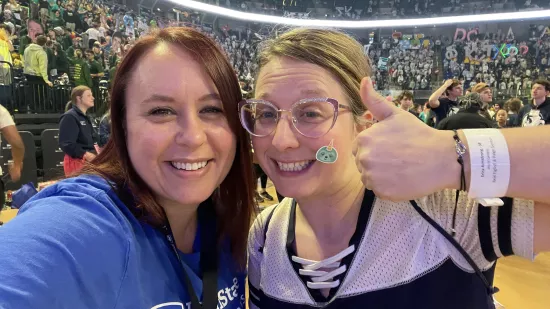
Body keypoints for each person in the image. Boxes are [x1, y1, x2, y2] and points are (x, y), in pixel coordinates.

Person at [244, 28, 549, 309]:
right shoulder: (265, 236)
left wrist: (451, 155)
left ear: (363, 124)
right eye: (266, 113)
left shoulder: (450, 213)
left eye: (310, 112)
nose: (281, 140)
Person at [0, 27, 255, 308]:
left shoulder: (227, 219)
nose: (193, 137)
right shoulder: (91, 221)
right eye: (161, 111)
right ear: (123, 126)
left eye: (212, 110)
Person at [58, 85, 97, 176]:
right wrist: (86, 154)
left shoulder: (87, 117)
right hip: (77, 161)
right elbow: (66, 143)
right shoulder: (69, 117)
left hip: (89, 161)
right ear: (79, 98)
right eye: (88, 95)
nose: (93, 98)